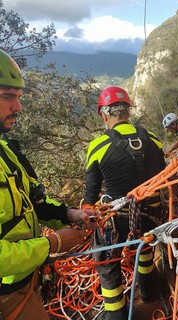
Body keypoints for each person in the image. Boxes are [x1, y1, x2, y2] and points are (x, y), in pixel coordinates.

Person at [0, 50, 94, 319]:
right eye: (8, 96)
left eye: (18, 97)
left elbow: (34, 201)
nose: (17, 107)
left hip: (26, 284)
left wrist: (69, 214)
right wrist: (52, 244)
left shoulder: (7, 153)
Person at [84, 85, 166, 320]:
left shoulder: (98, 147)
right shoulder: (153, 141)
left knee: (108, 264)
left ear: (104, 114)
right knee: (146, 251)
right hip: (151, 215)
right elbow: (163, 177)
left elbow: (90, 196)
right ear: (128, 112)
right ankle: (149, 293)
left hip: (116, 220)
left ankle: (117, 314)